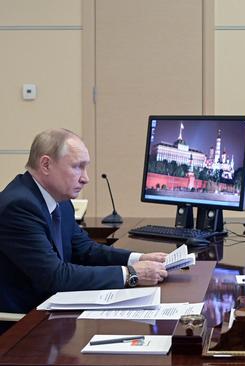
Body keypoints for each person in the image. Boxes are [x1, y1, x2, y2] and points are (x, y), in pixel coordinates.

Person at [0, 129, 169, 317]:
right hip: (22, 323)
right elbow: (55, 276)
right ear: (46, 165)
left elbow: (86, 250)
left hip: (53, 311)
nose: (85, 178)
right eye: (77, 167)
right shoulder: (19, 206)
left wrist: (138, 259)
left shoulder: (61, 202)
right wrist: (130, 274)